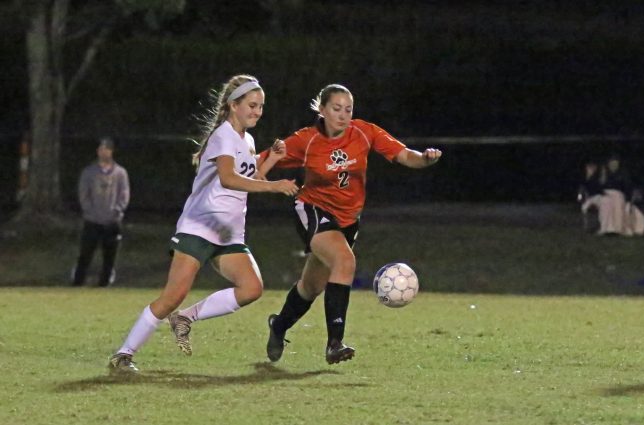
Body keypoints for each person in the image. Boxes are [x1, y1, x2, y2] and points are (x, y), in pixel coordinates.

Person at [108, 75, 299, 374]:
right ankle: (123, 354)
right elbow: (229, 178)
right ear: (233, 105)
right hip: (200, 227)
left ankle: (186, 318)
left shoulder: (247, 140)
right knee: (172, 295)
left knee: (251, 288)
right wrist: (275, 186)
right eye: (251, 105)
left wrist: (270, 161)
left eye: (261, 106)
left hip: (229, 234)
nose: (257, 112)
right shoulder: (223, 135)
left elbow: (249, 179)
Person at [255, 84, 442, 365]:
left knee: (312, 286)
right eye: (336, 108)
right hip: (313, 209)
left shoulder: (365, 133)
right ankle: (334, 343)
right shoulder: (305, 141)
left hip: (348, 220)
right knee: (345, 261)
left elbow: (404, 155)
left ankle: (279, 326)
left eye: (348, 109)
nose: (343, 115)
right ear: (322, 110)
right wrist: (224, 164)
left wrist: (424, 159)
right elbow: (259, 160)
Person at [72, 137, 130, 287]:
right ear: (97, 151)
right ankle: (77, 281)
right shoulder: (89, 172)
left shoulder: (120, 173)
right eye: (101, 149)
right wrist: (90, 211)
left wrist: (117, 211)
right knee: (85, 253)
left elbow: (124, 194)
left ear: (111, 151)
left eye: (107, 149)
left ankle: (104, 283)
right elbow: (83, 194)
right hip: (92, 221)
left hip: (112, 221)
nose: (104, 152)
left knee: (109, 255)